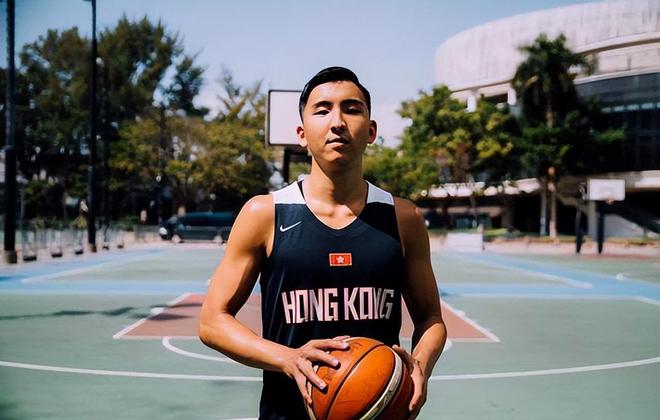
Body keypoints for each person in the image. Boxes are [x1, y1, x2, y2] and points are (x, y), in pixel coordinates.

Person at [199, 66, 447, 419]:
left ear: (371, 131)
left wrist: (419, 365)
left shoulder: (403, 217)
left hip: (377, 410)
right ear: (301, 134)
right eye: (322, 110)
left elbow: (431, 318)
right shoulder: (265, 213)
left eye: (352, 109)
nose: (338, 122)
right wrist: (289, 358)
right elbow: (212, 322)